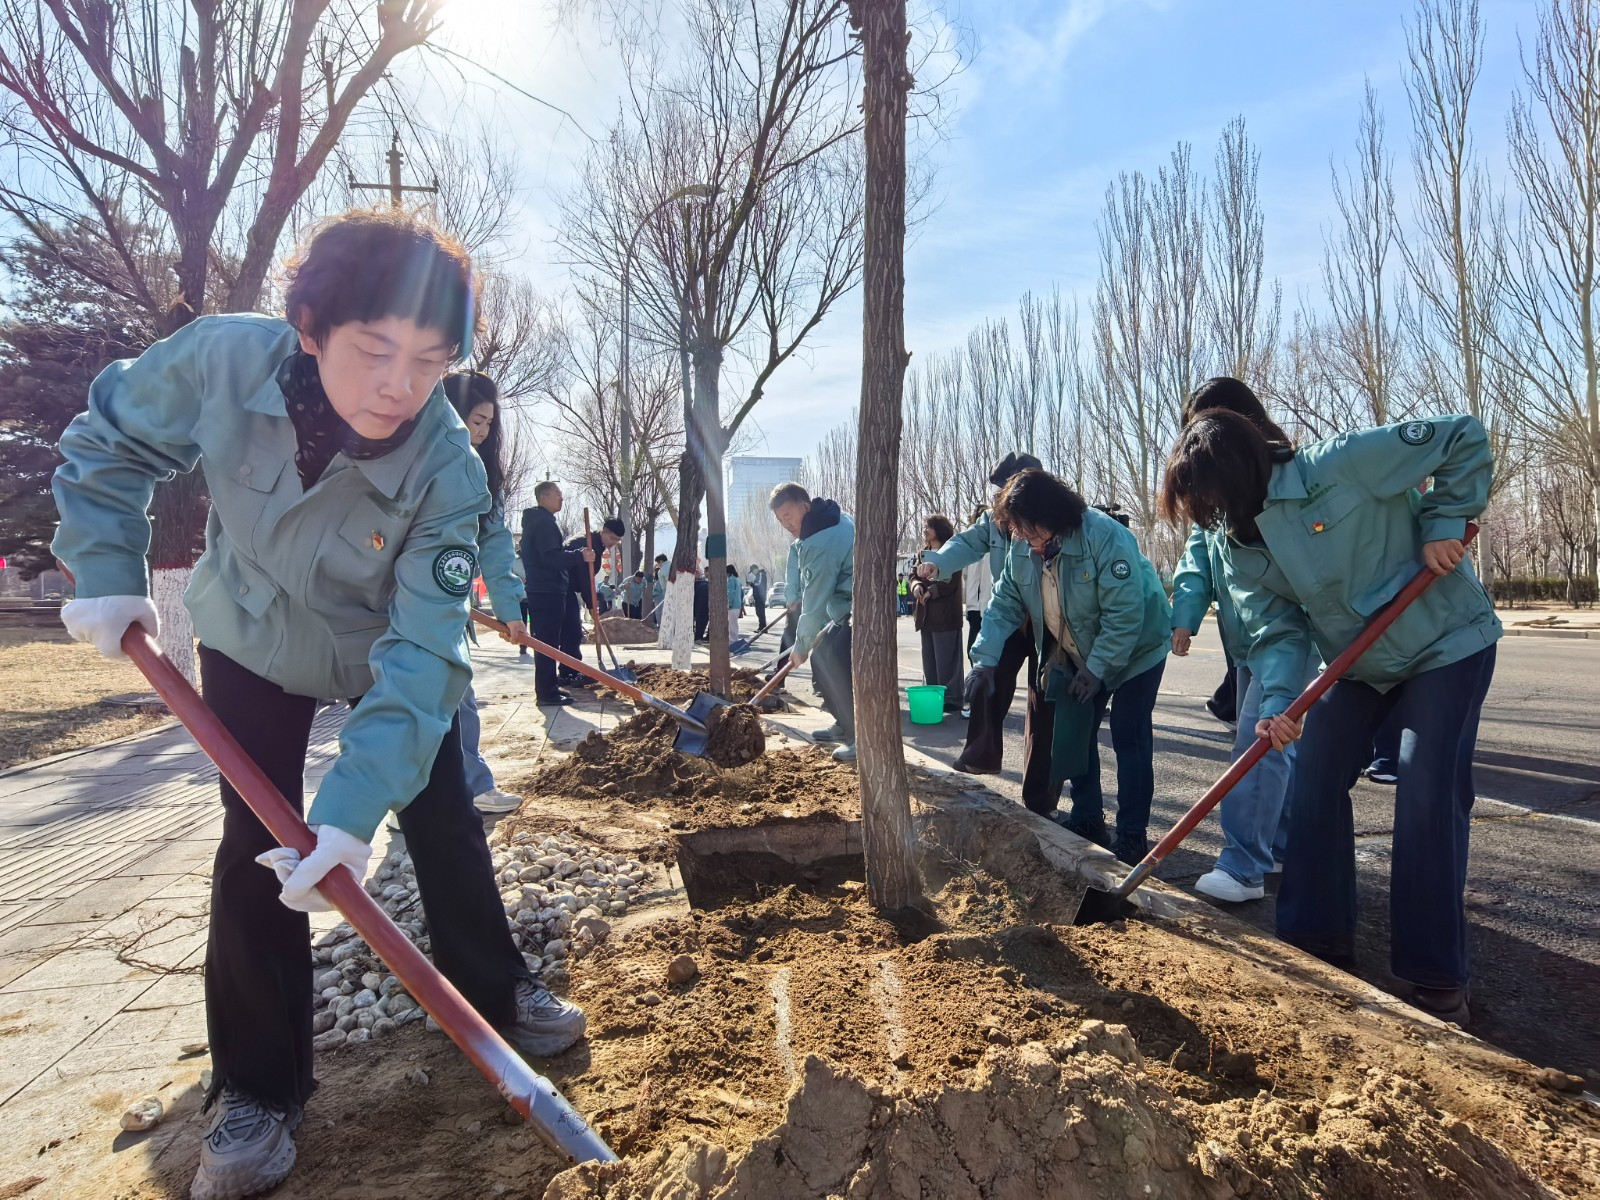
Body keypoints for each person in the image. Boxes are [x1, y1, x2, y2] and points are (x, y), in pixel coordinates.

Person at [50, 209, 586, 1200]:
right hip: (249, 636)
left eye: (429, 361)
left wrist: (348, 816)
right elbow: (110, 436)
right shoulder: (220, 362)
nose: (400, 384)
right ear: (310, 326)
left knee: (440, 816)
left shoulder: (446, 470)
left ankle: (496, 987)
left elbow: (428, 649)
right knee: (253, 844)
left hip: (381, 651)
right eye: (376, 349)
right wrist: (107, 566)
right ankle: (256, 1090)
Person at [1159, 405, 1499, 1023]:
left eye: (1216, 501)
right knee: (1313, 776)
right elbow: (1278, 629)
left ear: (1242, 474)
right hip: (1359, 660)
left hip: (1445, 640)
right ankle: (1318, 937)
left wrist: (1447, 518)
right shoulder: (1234, 543)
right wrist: (1279, 704)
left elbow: (1462, 437)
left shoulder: (1338, 464)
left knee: (1426, 788)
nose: (1217, 518)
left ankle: (1437, 974)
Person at [972, 468, 1171, 864]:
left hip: (1136, 652)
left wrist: (1097, 670)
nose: (1024, 538)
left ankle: (1132, 834)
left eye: (1030, 529)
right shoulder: (1022, 547)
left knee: (1129, 735)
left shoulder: (1104, 536)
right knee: (1075, 732)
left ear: (1052, 513)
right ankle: (1087, 818)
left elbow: (1125, 614)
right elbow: (1004, 604)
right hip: (1078, 650)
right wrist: (984, 660)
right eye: (1018, 531)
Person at [1168, 377, 1316, 902]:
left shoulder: (1283, 479)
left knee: (1261, 740)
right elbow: (1196, 553)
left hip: (1289, 634)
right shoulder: (1213, 488)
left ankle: (1242, 866)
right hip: (1246, 639)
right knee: (1279, 745)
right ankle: (1277, 847)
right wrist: (1185, 612)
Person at [916, 452, 1040, 782]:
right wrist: (938, 562)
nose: (1000, 503)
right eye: (997, 496)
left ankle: (1040, 792)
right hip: (1009, 614)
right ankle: (980, 755)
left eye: (1005, 494)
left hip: (1050, 622)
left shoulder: (1052, 517)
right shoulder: (994, 522)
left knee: (1043, 703)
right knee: (988, 678)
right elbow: (967, 543)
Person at [441, 370, 523, 815]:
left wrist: (510, 611)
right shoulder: (413, 464)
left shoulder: (485, 481)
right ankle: (417, 801)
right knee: (421, 708)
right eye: (475, 419)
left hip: (449, 611)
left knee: (459, 701)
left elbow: (495, 547)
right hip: (398, 609)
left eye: (488, 424)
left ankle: (469, 784)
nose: (481, 431)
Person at [771, 482, 855, 762]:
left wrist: (801, 646)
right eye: (780, 519)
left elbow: (816, 600)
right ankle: (843, 724)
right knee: (824, 663)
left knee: (832, 666)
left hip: (858, 609)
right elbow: (796, 550)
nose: (785, 523)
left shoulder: (823, 541)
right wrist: (792, 594)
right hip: (842, 607)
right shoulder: (823, 520)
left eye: (788, 515)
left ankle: (857, 736)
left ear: (804, 506)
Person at [520, 481, 594, 706]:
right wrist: (578, 557)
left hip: (546, 589)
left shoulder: (542, 521)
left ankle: (549, 688)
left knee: (549, 642)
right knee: (546, 643)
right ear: (544, 497)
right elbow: (550, 558)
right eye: (557, 494)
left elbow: (552, 554)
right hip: (546, 590)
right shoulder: (543, 523)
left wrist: (575, 554)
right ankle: (546, 694)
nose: (561, 498)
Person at [560, 517, 624, 686]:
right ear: (604, 531)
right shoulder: (588, 544)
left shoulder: (596, 542)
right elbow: (584, 578)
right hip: (559, 587)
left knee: (572, 632)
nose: (613, 543)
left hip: (566, 588)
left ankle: (570, 671)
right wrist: (591, 603)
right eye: (612, 538)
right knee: (572, 632)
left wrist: (591, 602)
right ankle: (568, 673)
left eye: (617, 541)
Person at [911, 515, 964, 714]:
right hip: (925, 614)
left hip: (946, 614)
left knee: (947, 658)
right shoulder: (922, 553)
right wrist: (916, 587)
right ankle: (933, 695)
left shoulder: (951, 551)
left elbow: (952, 580)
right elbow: (913, 575)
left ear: (939, 529)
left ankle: (952, 698)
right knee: (930, 658)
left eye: (929, 527)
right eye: (925, 526)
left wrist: (931, 591)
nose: (925, 530)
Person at [724, 564, 746, 639]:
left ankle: (733, 640)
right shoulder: (737, 580)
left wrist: (729, 604)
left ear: (728, 572)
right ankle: (734, 638)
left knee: (732, 624)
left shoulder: (731, 580)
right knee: (734, 623)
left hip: (732, 605)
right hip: (737, 604)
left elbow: (730, 593)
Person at [748, 561, 769, 630]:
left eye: (753, 571)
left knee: (761, 612)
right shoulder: (758, 575)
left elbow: (759, 584)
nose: (753, 573)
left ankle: (763, 627)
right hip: (757, 597)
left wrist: (752, 584)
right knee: (758, 612)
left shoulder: (761, 574)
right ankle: (761, 626)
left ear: (756, 569)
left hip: (761, 596)